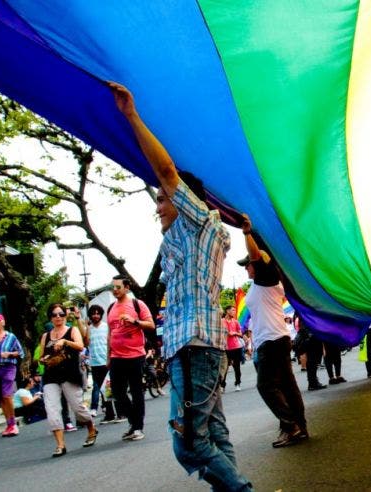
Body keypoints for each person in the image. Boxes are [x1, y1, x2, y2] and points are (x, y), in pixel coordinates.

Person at [110, 82, 252, 490]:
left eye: (161, 199)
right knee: (214, 436)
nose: (157, 207)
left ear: (183, 199)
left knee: (189, 444)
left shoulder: (198, 223)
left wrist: (131, 116)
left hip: (194, 348)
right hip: (194, 350)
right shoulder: (183, 238)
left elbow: (167, 172)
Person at [237, 215, 308, 450]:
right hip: (275, 339)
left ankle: (291, 426)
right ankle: (299, 427)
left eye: (247, 264)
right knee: (287, 385)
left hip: (272, 341)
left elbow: (257, 256)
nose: (247, 267)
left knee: (266, 386)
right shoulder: (264, 283)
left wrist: (248, 234)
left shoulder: (267, 278)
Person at [38, 303, 97, 457]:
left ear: (65, 316)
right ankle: (60, 444)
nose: (58, 317)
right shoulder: (46, 336)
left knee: (77, 407)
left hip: (69, 374)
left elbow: (80, 346)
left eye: (61, 314)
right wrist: (44, 359)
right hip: (51, 376)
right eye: (54, 314)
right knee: (52, 409)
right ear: (50, 317)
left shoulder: (72, 330)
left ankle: (91, 427)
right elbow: (41, 356)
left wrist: (65, 342)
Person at [107, 275, 155, 442]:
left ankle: (137, 427)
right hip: (116, 356)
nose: (114, 290)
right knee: (118, 392)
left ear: (127, 288)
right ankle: (134, 422)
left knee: (136, 391)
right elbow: (110, 333)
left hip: (135, 355)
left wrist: (135, 321)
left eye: (118, 287)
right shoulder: (111, 307)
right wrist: (108, 356)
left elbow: (151, 324)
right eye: (113, 287)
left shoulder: (137, 304)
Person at [85, 305, 108, 418]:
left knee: (107, 386)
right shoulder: (89, 329)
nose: (96, 315)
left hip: (106, 361)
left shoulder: (106, 327)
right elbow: (86, 343)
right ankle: (94, 408)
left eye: (98, 313)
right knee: (96, 386)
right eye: (93, 313)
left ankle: (106, 406)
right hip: (95, 362)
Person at [222, 305, 245, 392]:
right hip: (225, 347)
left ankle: (238, 383)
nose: (234, 312)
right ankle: (222, 385)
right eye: (232, 310)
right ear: (227, 311)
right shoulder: (221, 321)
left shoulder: (235, 322)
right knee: (224, 368)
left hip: (236, 347)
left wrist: (234, 333)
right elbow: (223, 332)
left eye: (235, 310)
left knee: (237, 367)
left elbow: (241, 334)